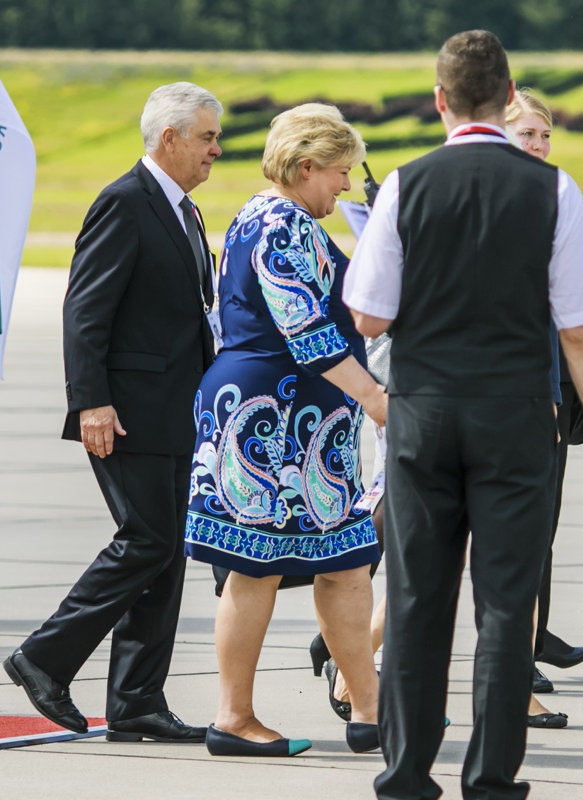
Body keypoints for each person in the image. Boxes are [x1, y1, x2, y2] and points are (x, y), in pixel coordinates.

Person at [345, 31, 583, 800]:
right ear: (508, 99)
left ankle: (406, 772)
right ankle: (491, 775)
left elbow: (368, 317)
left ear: (439, 100)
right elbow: (581, 332)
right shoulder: (552, 190)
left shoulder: (404, 185)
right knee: (506, 604)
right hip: (514, 414)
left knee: (416, 600)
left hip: (424, 412)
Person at [3, 82, 222, 745]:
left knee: (166, 553)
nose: (216, 149)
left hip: (176, 410)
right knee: (147, 541)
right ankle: (43, 658)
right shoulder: (125, 202)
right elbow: (85, 311)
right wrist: (90, 402)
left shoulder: (184, 211)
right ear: (170, 139)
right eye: (208, 137)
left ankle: (136, 701)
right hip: (126, 412)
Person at [184, 103, 385, 757]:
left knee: (347, 565)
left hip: (308, 424)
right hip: (267, 421)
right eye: (339, 172)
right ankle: (233, 719)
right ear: (304, 168)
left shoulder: (273, 216)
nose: (346, 185)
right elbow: (308, 332)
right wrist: (376, 400)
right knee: (255, 570)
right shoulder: (281, 223)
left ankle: (371, 710)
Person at [504, 87, 583, 729]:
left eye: (544, 134)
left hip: (546, 379)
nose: (538, 145)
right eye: (526, 133)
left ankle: (529, 646)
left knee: (536, 532)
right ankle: (346, 641)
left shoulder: (559, 193)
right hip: (506, 386)